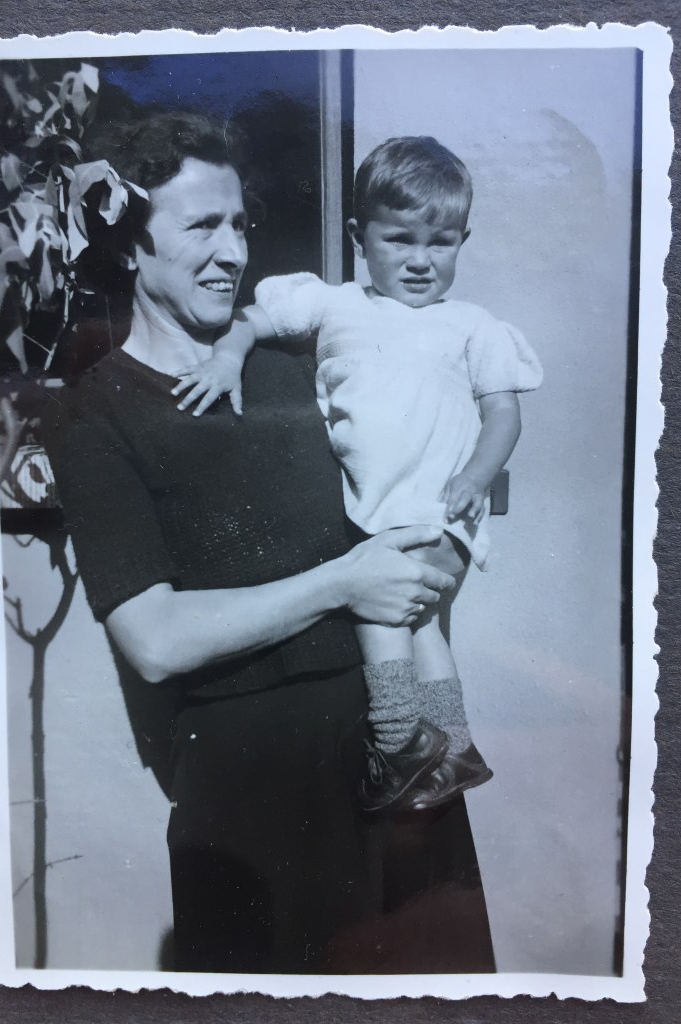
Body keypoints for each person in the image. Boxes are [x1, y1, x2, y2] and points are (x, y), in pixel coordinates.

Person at [44, 112, 495, 974]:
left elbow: (428, 479)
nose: (233, 253)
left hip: (396, 758)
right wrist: (342, 584)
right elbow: (155, 638)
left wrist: (439, 561)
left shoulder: (300, 370)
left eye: (240, 224)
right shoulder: (94, 414)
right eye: (201, 226)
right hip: (253, 802)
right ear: (131, 246)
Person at [171, 135, 543, 815]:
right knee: (421, 624)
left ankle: (398, 746)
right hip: (370, 511)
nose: (421, 260)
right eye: (399, 239)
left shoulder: (472, 326)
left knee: (379, 607)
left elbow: (503, 416)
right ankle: (455, 748)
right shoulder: (334, 304)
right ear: (357, 237)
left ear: (462, 241)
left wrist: (475, 475)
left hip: (436, 510)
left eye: (441, 243)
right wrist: (226, 357)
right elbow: (251, 321)